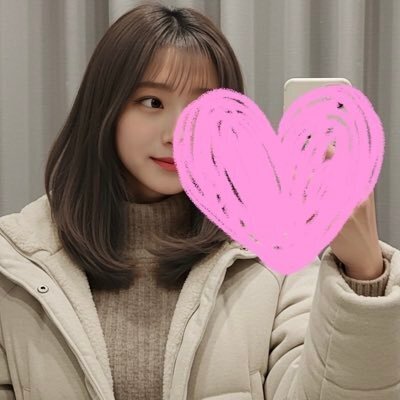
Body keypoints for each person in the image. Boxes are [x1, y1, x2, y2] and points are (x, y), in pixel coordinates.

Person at [0, 2, 399, 400]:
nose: (178, 133)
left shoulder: (272, 257)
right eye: (152, 102)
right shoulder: (17, 264)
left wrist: (363, 272)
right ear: (105, 108)